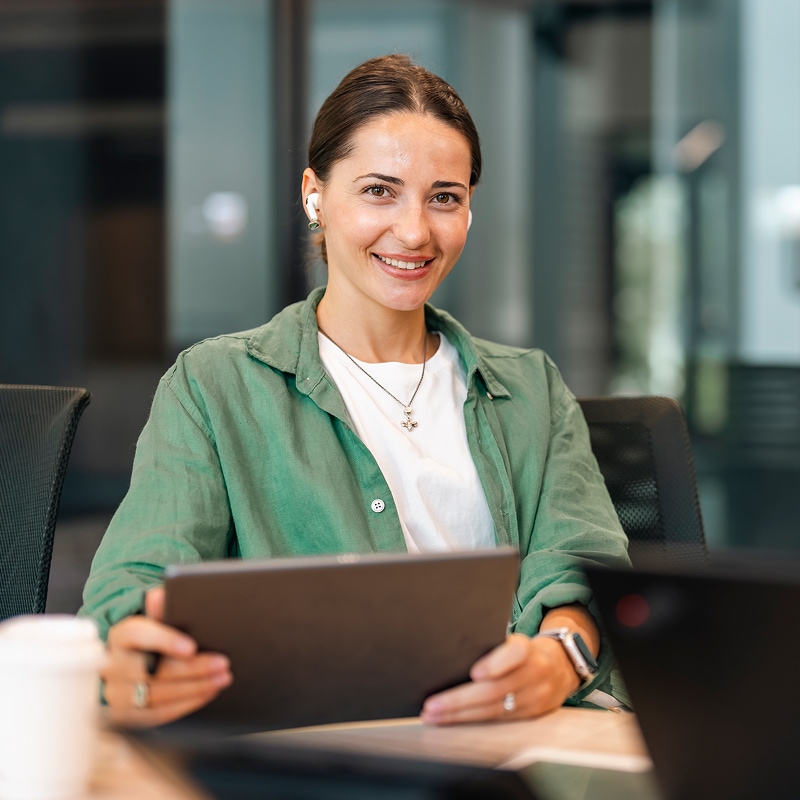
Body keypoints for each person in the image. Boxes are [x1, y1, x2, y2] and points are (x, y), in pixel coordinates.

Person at [80, 54, 630, 728]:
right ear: (315, 195)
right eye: (379, 190)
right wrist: (135, 652)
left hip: (514, 745)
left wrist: (557, 658)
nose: (415, 231)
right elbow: (131, 584)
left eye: (444, 197)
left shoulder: (532, 388)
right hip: (313, 749)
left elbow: (584, 563)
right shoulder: (215, 386)